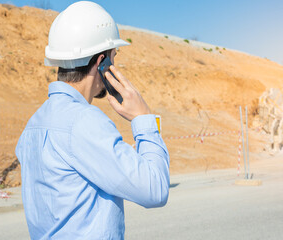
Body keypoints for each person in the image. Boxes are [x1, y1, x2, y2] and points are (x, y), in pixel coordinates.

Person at [15, 1, 170, 239]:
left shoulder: (33, 125)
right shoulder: (83, 122)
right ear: (101, 63)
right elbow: (155, 190)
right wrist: (144, 118)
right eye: (113, 57)